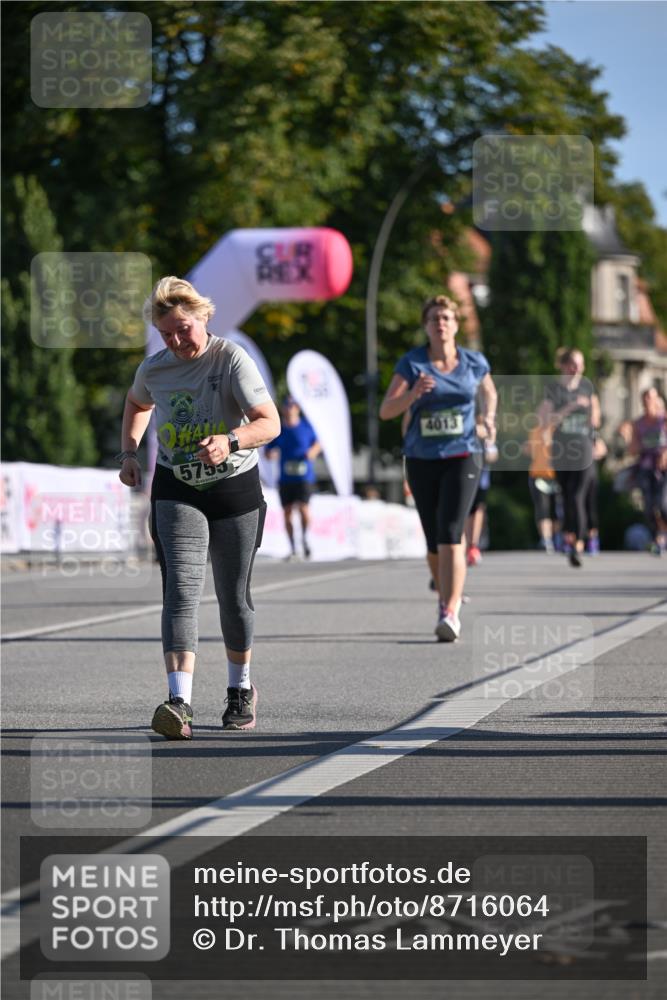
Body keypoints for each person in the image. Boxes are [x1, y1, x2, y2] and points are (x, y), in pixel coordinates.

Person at [118, 276, 280, 740]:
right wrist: (129, 454)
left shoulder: (230, 359)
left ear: (203, 317)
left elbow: (269, 423)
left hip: (234, 489)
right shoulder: (156, 368)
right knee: (181, 594)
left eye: (183, 329)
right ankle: (179, 702)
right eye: (166, 333)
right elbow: (136, 401)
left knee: (233, 599)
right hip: (177, 488)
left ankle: (240, 688)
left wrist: (230, 440)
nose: (176, 340)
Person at [379, 294, 497, 642]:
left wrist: (487, 419)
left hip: (463, 454)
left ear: (456, 325)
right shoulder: (412, 364)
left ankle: (450, 610)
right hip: (421, 457)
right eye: (434, 319)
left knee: (450, 531)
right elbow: (387, 410)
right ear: (426, 327)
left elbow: (490, 393)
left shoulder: (474, 362)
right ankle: (445, 593)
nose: (441, 323)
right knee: (433, 540)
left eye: (446, 317)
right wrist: (413, 393)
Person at [540, 348, 600, 568]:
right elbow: (545, 420)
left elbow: (595, 420)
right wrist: (570, 407)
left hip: (583, 449)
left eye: (580, 364)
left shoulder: (587, 388)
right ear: (564, 366)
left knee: (578, 496)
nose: (577, 368)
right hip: (562, 450)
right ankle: (570, 537)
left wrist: (597, 440)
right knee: (566, 497)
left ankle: (578, 543)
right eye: (573, 364)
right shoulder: (554, 390)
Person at [266, 397, 322, 559]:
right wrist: (271, 453)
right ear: (283, 409)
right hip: (286, 478)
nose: (290, 408)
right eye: (287, 405)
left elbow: (318, 443)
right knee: (288, 512)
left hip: (304, 477)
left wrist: (312, 452)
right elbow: (269, 450)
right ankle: (292, 547)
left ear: (298, 408)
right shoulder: (280, 429)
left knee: (304, 508)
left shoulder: (306, 426)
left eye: (293, 405)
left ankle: (304, 539)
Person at [629, 387, 667, 555]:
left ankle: (663, 534)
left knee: (663, 505)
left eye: (652, 397)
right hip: (646, 468)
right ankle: (657, 540)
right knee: (649, 507)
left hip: (664, 469)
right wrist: (627, 437)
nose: (649, 401)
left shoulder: (664, 419)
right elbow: (633, 449)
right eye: (646, 398)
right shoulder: (639, 423)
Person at [525, 417, 560, 552]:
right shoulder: (534, 431)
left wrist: (549, 441)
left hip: (555, 475)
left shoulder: (557, 431)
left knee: (556, 509)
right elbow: (531, 451)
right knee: (542, 508)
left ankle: (557, 537)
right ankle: (546, 540)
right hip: (537, 474)